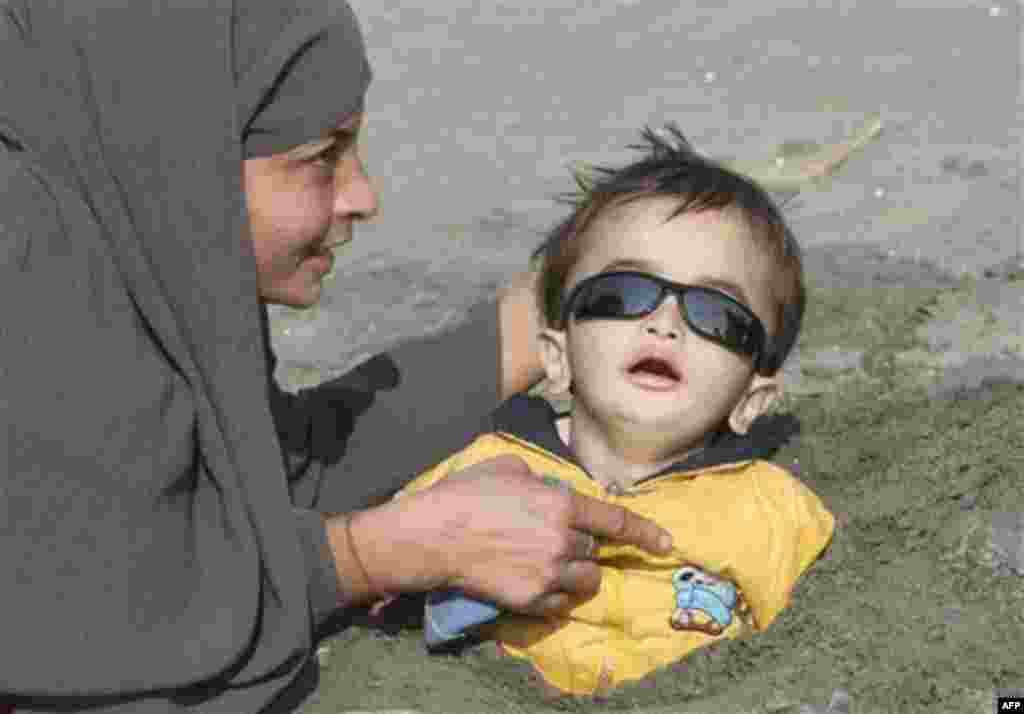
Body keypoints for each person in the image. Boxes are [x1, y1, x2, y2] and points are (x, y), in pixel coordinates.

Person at [0, 2, 675, 712]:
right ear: (182, 160)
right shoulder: (24, 256)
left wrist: (541, 317)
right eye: (321, 158)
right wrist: (387, 551)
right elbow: (89, 615)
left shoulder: (133, 229)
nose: (363, 195)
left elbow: (272, 475)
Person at [388, 125, 836, 696]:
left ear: (752, 400)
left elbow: (824, 649)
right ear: (557, 356)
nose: (664, 323)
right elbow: (392, 571)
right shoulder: (481, 472)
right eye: (622, 295)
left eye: (716, 314)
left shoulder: (774, 511)